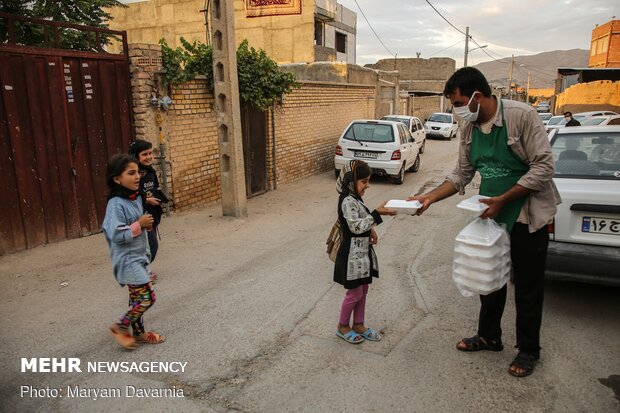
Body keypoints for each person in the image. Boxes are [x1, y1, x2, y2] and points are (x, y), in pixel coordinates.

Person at [409, 67, 561, 377]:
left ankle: (529, 349)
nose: (457, 111)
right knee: (488, 279)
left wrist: (504, 199)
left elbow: (544, 167)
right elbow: (462, 174)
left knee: (528, 287)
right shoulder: (469, 128)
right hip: (491, 218)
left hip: (526, 216)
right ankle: (489, 336)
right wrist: (428, 197)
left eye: (458, 103)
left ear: (478, 97)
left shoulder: (521, 116)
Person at [103, 153, 166, 350]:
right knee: (147, 298)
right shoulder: (115, 205)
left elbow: (139, 219)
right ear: (117, 179)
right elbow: (117, 234)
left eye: (138, 172)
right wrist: (139, 224)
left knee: (137, 299)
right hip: (128, 260)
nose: (137, 176)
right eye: (131, 173)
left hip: (140, 256)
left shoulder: (135, 197)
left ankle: (138, 333)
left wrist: (145, 224)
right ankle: (120, 326)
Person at [334, 160, 396, 344]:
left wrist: (371, 230)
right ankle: (342, 326)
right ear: (350, 181)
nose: (367, 185)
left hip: (361, 255)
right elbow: (355, 226)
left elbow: (362, 219)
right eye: (364, 181)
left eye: (368, 181)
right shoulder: (346, 200)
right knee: (354, 294)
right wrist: (377, 213)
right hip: (352, 257)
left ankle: (359, 324)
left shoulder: (355, 199)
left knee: (363, 291)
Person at [128, 140, 169, 284]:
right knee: (150, 245)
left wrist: (157, 197)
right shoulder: (133, 175)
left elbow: (154, 188)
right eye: (144, 154)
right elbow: (130, 195)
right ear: (135, 156)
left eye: (150, 153)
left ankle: (142, 269)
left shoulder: (150, 171)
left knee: (149, 245)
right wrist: (147, 200)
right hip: (139, 217)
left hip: (151, 214)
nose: (149, 157)